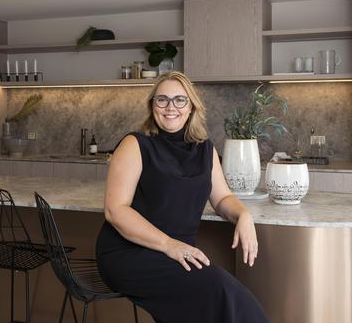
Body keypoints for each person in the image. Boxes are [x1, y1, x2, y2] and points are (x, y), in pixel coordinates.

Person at [95, 71, 269, 323]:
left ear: (191, 107)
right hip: (130, 254)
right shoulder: (136, 144)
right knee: (222, 291)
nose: (170, 107)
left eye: (179, 100)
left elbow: (222, 198)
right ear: (152, 106)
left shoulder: (205, 150)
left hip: (178, 255)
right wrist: (169, 245)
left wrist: (243, 214)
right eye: (162, 100)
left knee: (218, 295)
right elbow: (115, 210)